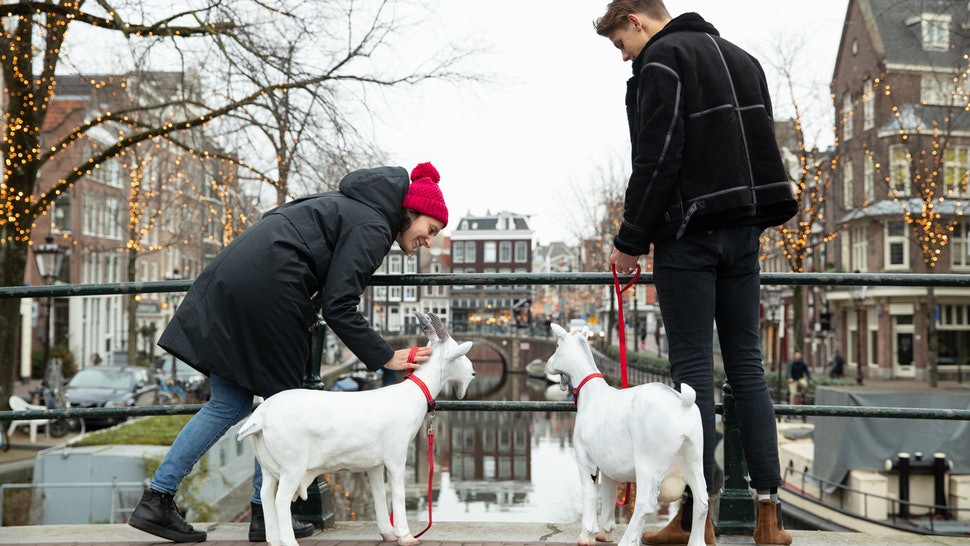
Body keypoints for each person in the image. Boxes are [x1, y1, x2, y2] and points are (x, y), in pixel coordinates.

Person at [128, 163, 450, 543]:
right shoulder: (374, 225)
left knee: (228, 404)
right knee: (282, 406)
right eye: (429, 230)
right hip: (272, 291)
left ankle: (158, 497)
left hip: (239, 278)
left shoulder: (353, 205)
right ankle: (266, 517)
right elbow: (340, 305)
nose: (428, 240)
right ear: (409, 211)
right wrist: (384, 355)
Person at [595, 2, 798, 545]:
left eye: (620, 43)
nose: (624, 56)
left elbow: (657, 157)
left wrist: (629, 241)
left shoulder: (662, 60)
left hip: (689, 236)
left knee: (691, 380)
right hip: (744, 235)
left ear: (637, 19)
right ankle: (768, 517)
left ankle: (694, 517)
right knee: (748, 369)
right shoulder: (744, 59)